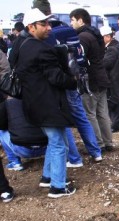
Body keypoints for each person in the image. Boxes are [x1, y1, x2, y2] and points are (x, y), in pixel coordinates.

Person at [18, 8, 77, 198]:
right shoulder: (42, 49)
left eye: (48, 23)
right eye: (43, 24)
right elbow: (57, 78)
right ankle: (58, 187)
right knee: (60, 144)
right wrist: (74, 80)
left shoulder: (23, 46)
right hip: (49, 105)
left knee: (54, 142)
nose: (48, 28)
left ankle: (48, 177)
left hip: (34, 105)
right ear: (31, 27)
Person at [70, 8, 114, 152]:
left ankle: (98, 144)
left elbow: (80, 60)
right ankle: (108, 142)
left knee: (90, 114)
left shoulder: (82, 37)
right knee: (102, 113)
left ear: (80, 20)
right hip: (101, 77)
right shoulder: (96, 35)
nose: (71, 24)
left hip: (91, 80)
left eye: (72, 20)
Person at [100, 26, 119, 132]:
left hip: (113, 78)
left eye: (101, 37)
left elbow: (107, 63)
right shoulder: (115, 46)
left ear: (108, 37)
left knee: (113, 102)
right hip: (117, 77)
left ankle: (117, 124)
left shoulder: (111, 49)